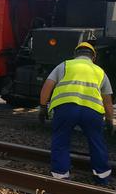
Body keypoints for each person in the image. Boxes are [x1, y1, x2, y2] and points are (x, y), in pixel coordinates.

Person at [39, 42, 114, 185]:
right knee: (97, 141)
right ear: (94, 57)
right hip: (92, 112)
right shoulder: (100, 71)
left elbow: (47, 87)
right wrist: (110, 120)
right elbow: (108, 101)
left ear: (75, 54)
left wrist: (43, 107)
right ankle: (102, 177)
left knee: (61, 140)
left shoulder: (64, 65)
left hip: (65, 109)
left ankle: (60, 176)